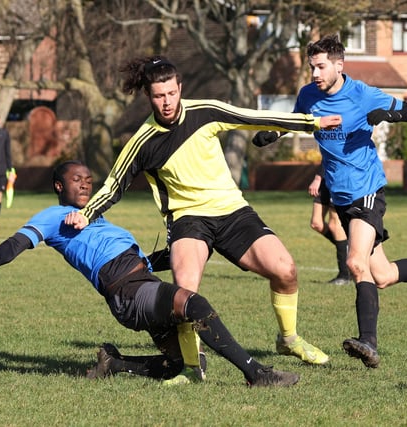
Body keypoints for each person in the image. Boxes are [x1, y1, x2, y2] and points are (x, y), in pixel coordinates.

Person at [64, 56, 342, 376]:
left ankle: (289, 338)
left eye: (171, 93)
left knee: (286, 270)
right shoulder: (142, 142)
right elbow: (114, 185)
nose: (167, 102)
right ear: (149, 97)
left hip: (232, 211)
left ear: (180, 88)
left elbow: (252, 116)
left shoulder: (205, 111)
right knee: (185, 293)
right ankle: (190, 368)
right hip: (187, 220)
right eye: (159, 96)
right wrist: (86, 214)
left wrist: (313, 122)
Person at [0, 160, 300, 387]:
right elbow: (21, 240)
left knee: (185, 366)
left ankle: (116, 364)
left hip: (140, 282)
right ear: (58, 185)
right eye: (76, 180)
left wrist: (183, 250)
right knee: (196, 306)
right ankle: (257, 374)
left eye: (88, 180)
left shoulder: (93, 216)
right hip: (128, 291)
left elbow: (136, 258)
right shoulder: (54, 215)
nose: (84, 184)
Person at [253, 34, 407, 369]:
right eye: (312, 67)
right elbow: (299, 120)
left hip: (367, 190)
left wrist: (387, 115)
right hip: (340, 195)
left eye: (321, 67)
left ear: (339, 64)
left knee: (355, 264)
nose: (315, 74)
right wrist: (274, 133)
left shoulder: (362, 94)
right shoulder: (309, 95)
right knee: (382, 275)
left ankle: (369, 342)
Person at [308, 169, 351, 285]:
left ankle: (344, 275)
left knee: (335, 225)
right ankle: (351, 249)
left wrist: (317, 178)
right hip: (325, 178)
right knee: (316, 223)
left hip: (337, 177)